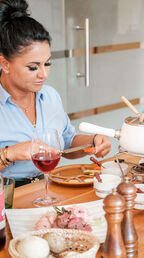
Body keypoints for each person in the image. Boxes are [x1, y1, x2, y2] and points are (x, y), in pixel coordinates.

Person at [0, 0, 111, 187]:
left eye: (47, 63)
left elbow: (67, 143)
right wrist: (9, 153)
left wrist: (92, 142)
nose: (43, 74)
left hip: (48, 187)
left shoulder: (50, 96)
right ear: (4, 64)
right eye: (33, 67)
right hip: (8, 196)